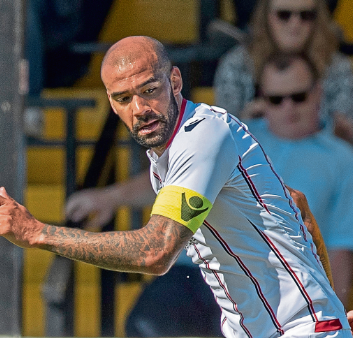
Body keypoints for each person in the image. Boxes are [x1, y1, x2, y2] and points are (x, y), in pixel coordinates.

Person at [0, 36, 351, 337]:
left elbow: (154, 252)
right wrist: (332, 310)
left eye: (149, 90)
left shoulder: (201, 136)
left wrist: (37, 233)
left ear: (176, 81)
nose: (139, 109)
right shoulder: (170, 153)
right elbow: (296, 204)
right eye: (123, 98)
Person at [241, 52, 353, 308]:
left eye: (298, 96)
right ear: (263, 100)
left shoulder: (343, 159)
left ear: (318, 93)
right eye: (276, 99)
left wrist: (331, 321)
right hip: (213, 275)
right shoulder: (234, 136)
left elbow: (339, 251)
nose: (288, 107)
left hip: (293, 287)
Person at [214, 0, 353, 136]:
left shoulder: (338, 68)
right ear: (265, 17)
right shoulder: (236, 65)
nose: (295, 24)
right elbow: (221, 137)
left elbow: (344, 131)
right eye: (284, 15)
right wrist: (243, 121)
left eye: (306, 15)